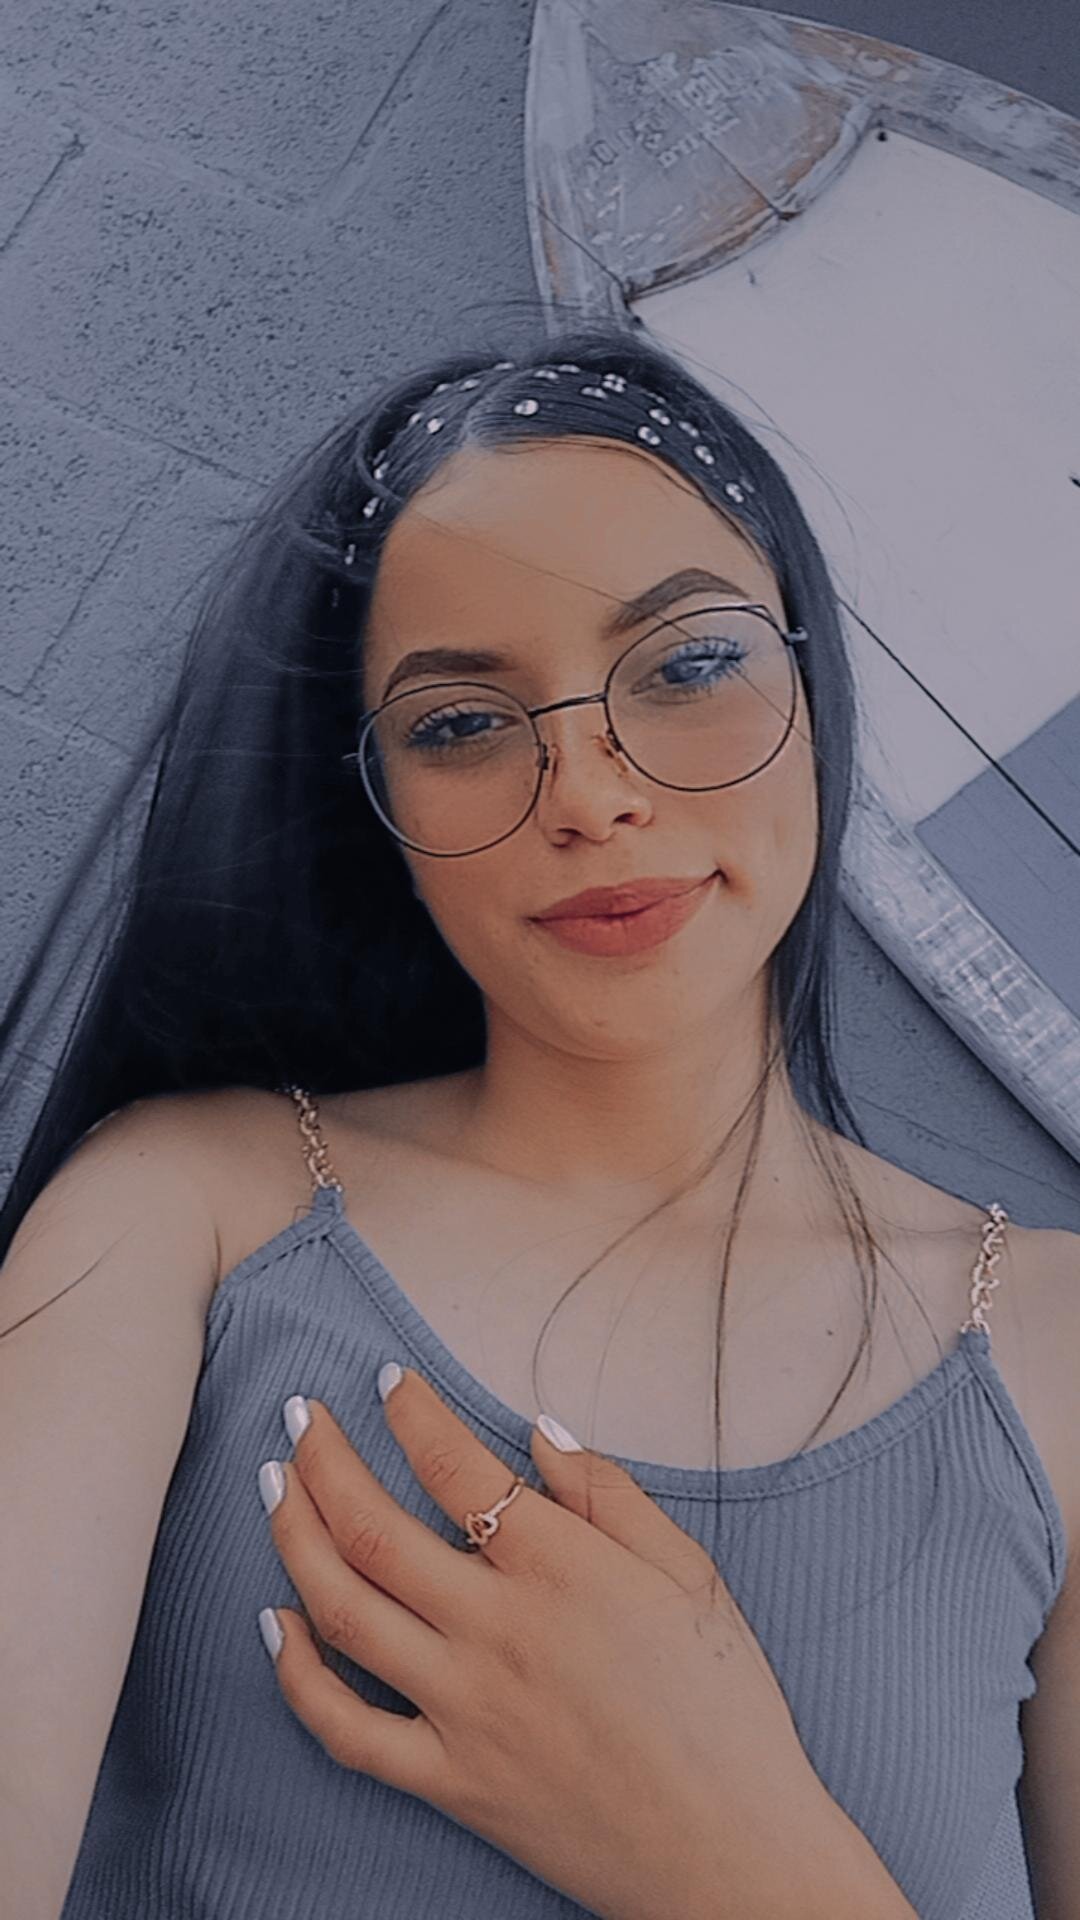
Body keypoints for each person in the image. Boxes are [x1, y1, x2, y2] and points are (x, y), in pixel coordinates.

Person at [1, 324, 1075, 1920]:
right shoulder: (182, 1215)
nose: (589, 792)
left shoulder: (1057, 1350)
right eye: (460, 723)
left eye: (690, 666)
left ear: (813, 682)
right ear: (378, 801)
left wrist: (730, 1846)